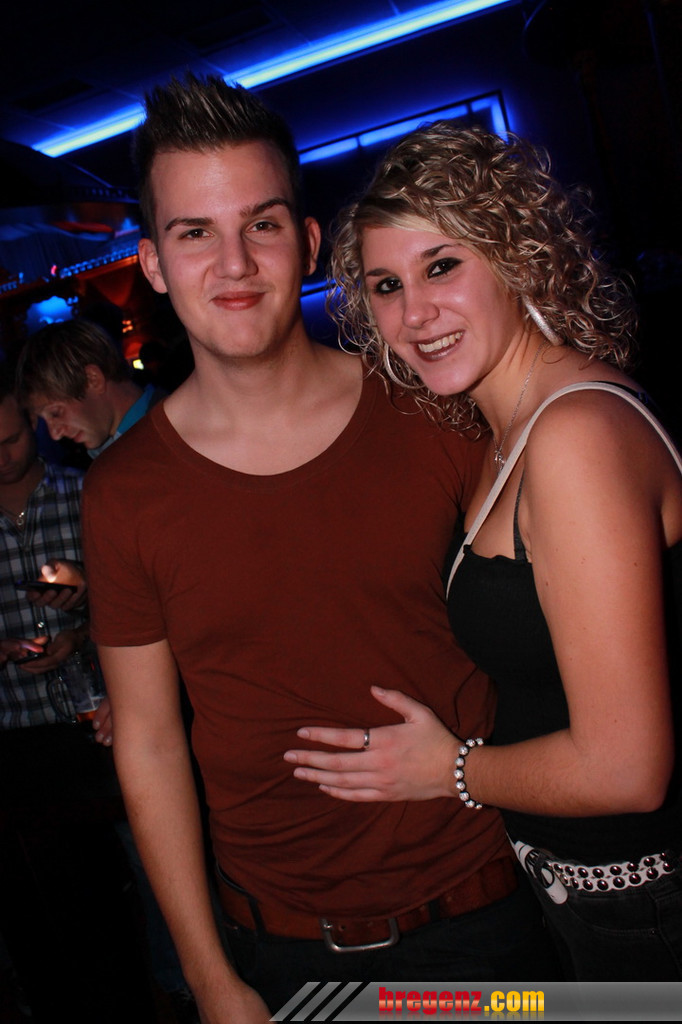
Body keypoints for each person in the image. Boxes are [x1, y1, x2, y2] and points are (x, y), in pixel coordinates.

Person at [81, 77, 559, 1023]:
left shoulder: (433, 411)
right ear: (154, 265)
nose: (234, 263)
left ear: (305, 243)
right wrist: (211, 979)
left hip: (489, 913)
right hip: (282, 953)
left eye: (260, 224)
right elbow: (147, 740)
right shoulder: (123, 492)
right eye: (195, 233)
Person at [284, 123, 682, 981]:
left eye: (441, 266)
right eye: (386, 285)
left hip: (644, 905)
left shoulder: (575, 434)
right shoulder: (507, 431)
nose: (413, 313)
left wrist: (452, 771)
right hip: (586, 896)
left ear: (516, 259)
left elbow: (626, 769)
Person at [0, 374, 158, 1022]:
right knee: (54, 904)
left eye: (11, 438)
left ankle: (173, 991)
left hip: (99, 722)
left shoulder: (90, 489)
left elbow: (144, 603)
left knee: (148, 875)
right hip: (17, 735)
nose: (2, 456)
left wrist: (82, 627)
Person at [16, 318, 164, 458]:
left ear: (93, 379)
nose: (55, 434)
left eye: (56, 413)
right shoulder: (115, 451)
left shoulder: (168, 434)